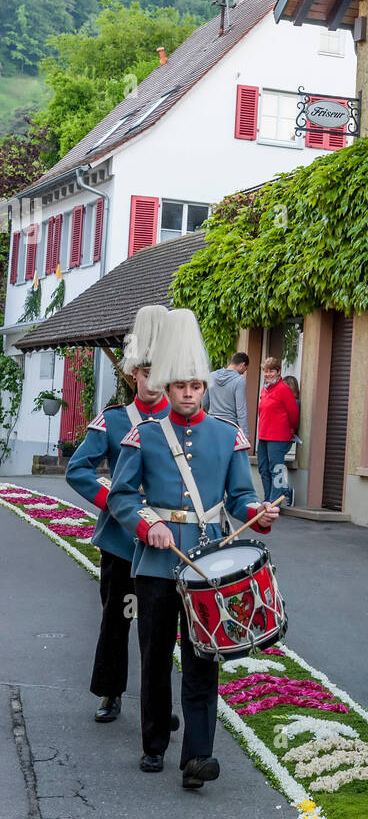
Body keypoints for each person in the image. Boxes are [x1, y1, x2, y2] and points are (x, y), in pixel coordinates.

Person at [109, 308, 279, 788]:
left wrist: (257, 513)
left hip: (207, 564)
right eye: (180, 385)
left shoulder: (227, 436)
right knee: (156, 656)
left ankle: (197, 757)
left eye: (196, 386)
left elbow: (242, 496)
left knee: (204, 659)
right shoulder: (142, 434)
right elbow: (122, 495)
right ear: (165, 386)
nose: (188, 393)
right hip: (158, 564)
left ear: (205, 387)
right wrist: (147, 526)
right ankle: (155, 741)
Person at [67, 306, 172, 725]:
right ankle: (110, 691)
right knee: (117, 620)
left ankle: (157, 706)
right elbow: (78, 470)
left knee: (160, 629)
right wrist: (114, 501)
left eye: (157, 373)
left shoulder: (179, 421)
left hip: (167, 543)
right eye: (144, 373)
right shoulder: (114, 421)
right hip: (123, 543)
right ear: (133, 375)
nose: (151, 381)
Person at [257, 357, 299, 504]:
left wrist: (289, 431)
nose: (268, 374)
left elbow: (293, 414)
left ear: (278, 371)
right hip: (263, 435)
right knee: (263, 468)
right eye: (265, 371)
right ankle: (271, 498)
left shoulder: (283, 389)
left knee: (277, 470)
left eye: (271, 371)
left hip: (279, 437)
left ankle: (275, 503)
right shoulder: (265, 388)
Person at [203, 352, 249, 436]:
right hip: (230, 426)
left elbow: (204, 402)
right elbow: (241, 409)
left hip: (212, 423)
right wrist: (245, 433)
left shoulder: (211, 376)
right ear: (242, 365)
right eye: (245, 370)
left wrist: (214, 411)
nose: (243, 373)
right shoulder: (239, 380)